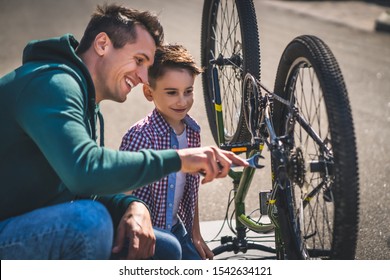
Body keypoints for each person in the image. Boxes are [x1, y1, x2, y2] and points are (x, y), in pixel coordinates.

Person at [0, 3, 248, 260]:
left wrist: (133, 206)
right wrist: (181, 159)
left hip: (27, 224)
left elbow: (83, 193)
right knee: (89, 222)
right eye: (139, 60)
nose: (143, 76)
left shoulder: (87, 104)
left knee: (164, 246)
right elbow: (84, 171)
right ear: (103, 44)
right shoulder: (52, 84)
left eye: (148, 66)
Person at [120, 44, 213, 260]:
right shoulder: (140, 136)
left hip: (177, 229)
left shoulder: (192, 132)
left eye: (188, 91)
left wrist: (195, 234)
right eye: (171, 93)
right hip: (147, 234)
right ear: (148, 92)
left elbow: (192, 189)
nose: (182, 101)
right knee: (171, 252)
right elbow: (122, 195)